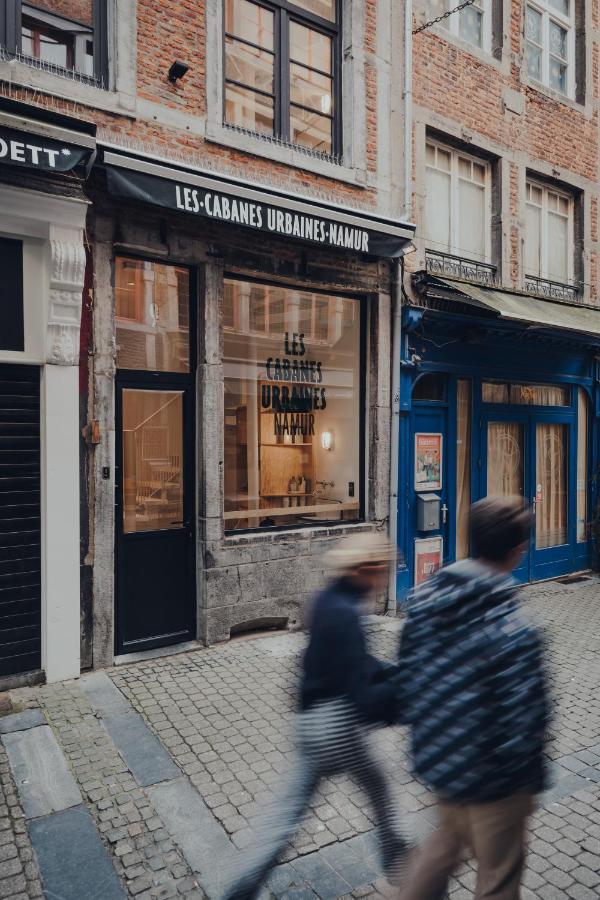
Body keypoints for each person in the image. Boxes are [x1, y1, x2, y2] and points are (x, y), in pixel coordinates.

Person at [223, 531, 407, 900]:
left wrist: (390, 672)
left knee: (290, 809)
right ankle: (400, 864)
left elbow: (349, 665)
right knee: (378, 788)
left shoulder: (328, 600)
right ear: (366, 569)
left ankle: (244, 885)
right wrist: (408, 696)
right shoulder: (345, 615)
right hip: (337, 726)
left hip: (311, 721)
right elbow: (363, 697)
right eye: (383, 570)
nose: (385, 578)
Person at [396, 497, 550, 900]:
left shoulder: (424, 602)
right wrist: (527, 784)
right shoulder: (515, 628)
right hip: (495, 784)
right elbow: (526, 720)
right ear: (518, 552)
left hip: (443, 768)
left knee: (440, 852)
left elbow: (408, 681)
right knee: (499, 877)